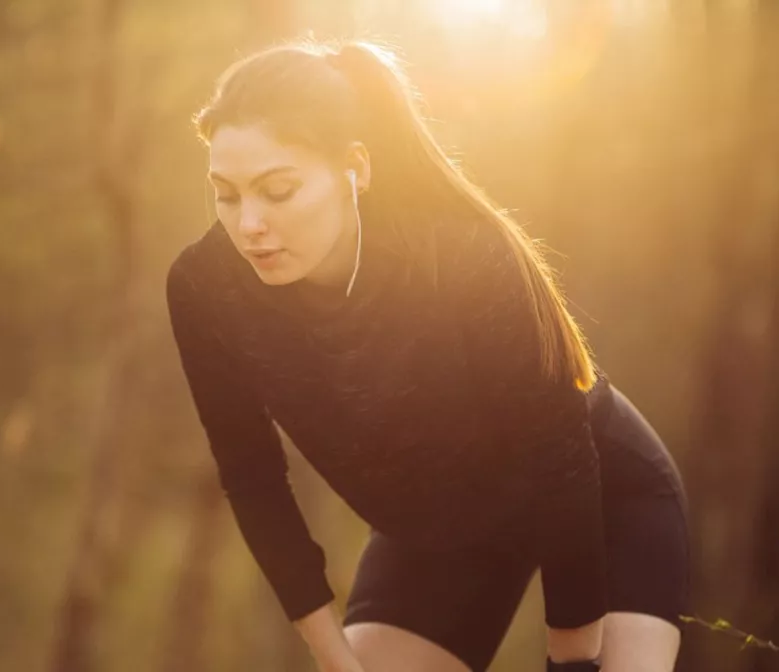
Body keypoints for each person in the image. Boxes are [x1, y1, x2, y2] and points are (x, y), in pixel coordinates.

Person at [165, 38, 689, 672]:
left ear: (353, 168)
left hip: (602, 498)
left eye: (277, 191)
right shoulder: (203, 288)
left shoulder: (464, 259)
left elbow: (562, 460)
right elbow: (252, 479)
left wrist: (570, 663)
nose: (248, 224)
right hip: (437, 540)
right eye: (226, 194)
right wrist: (337, 661)